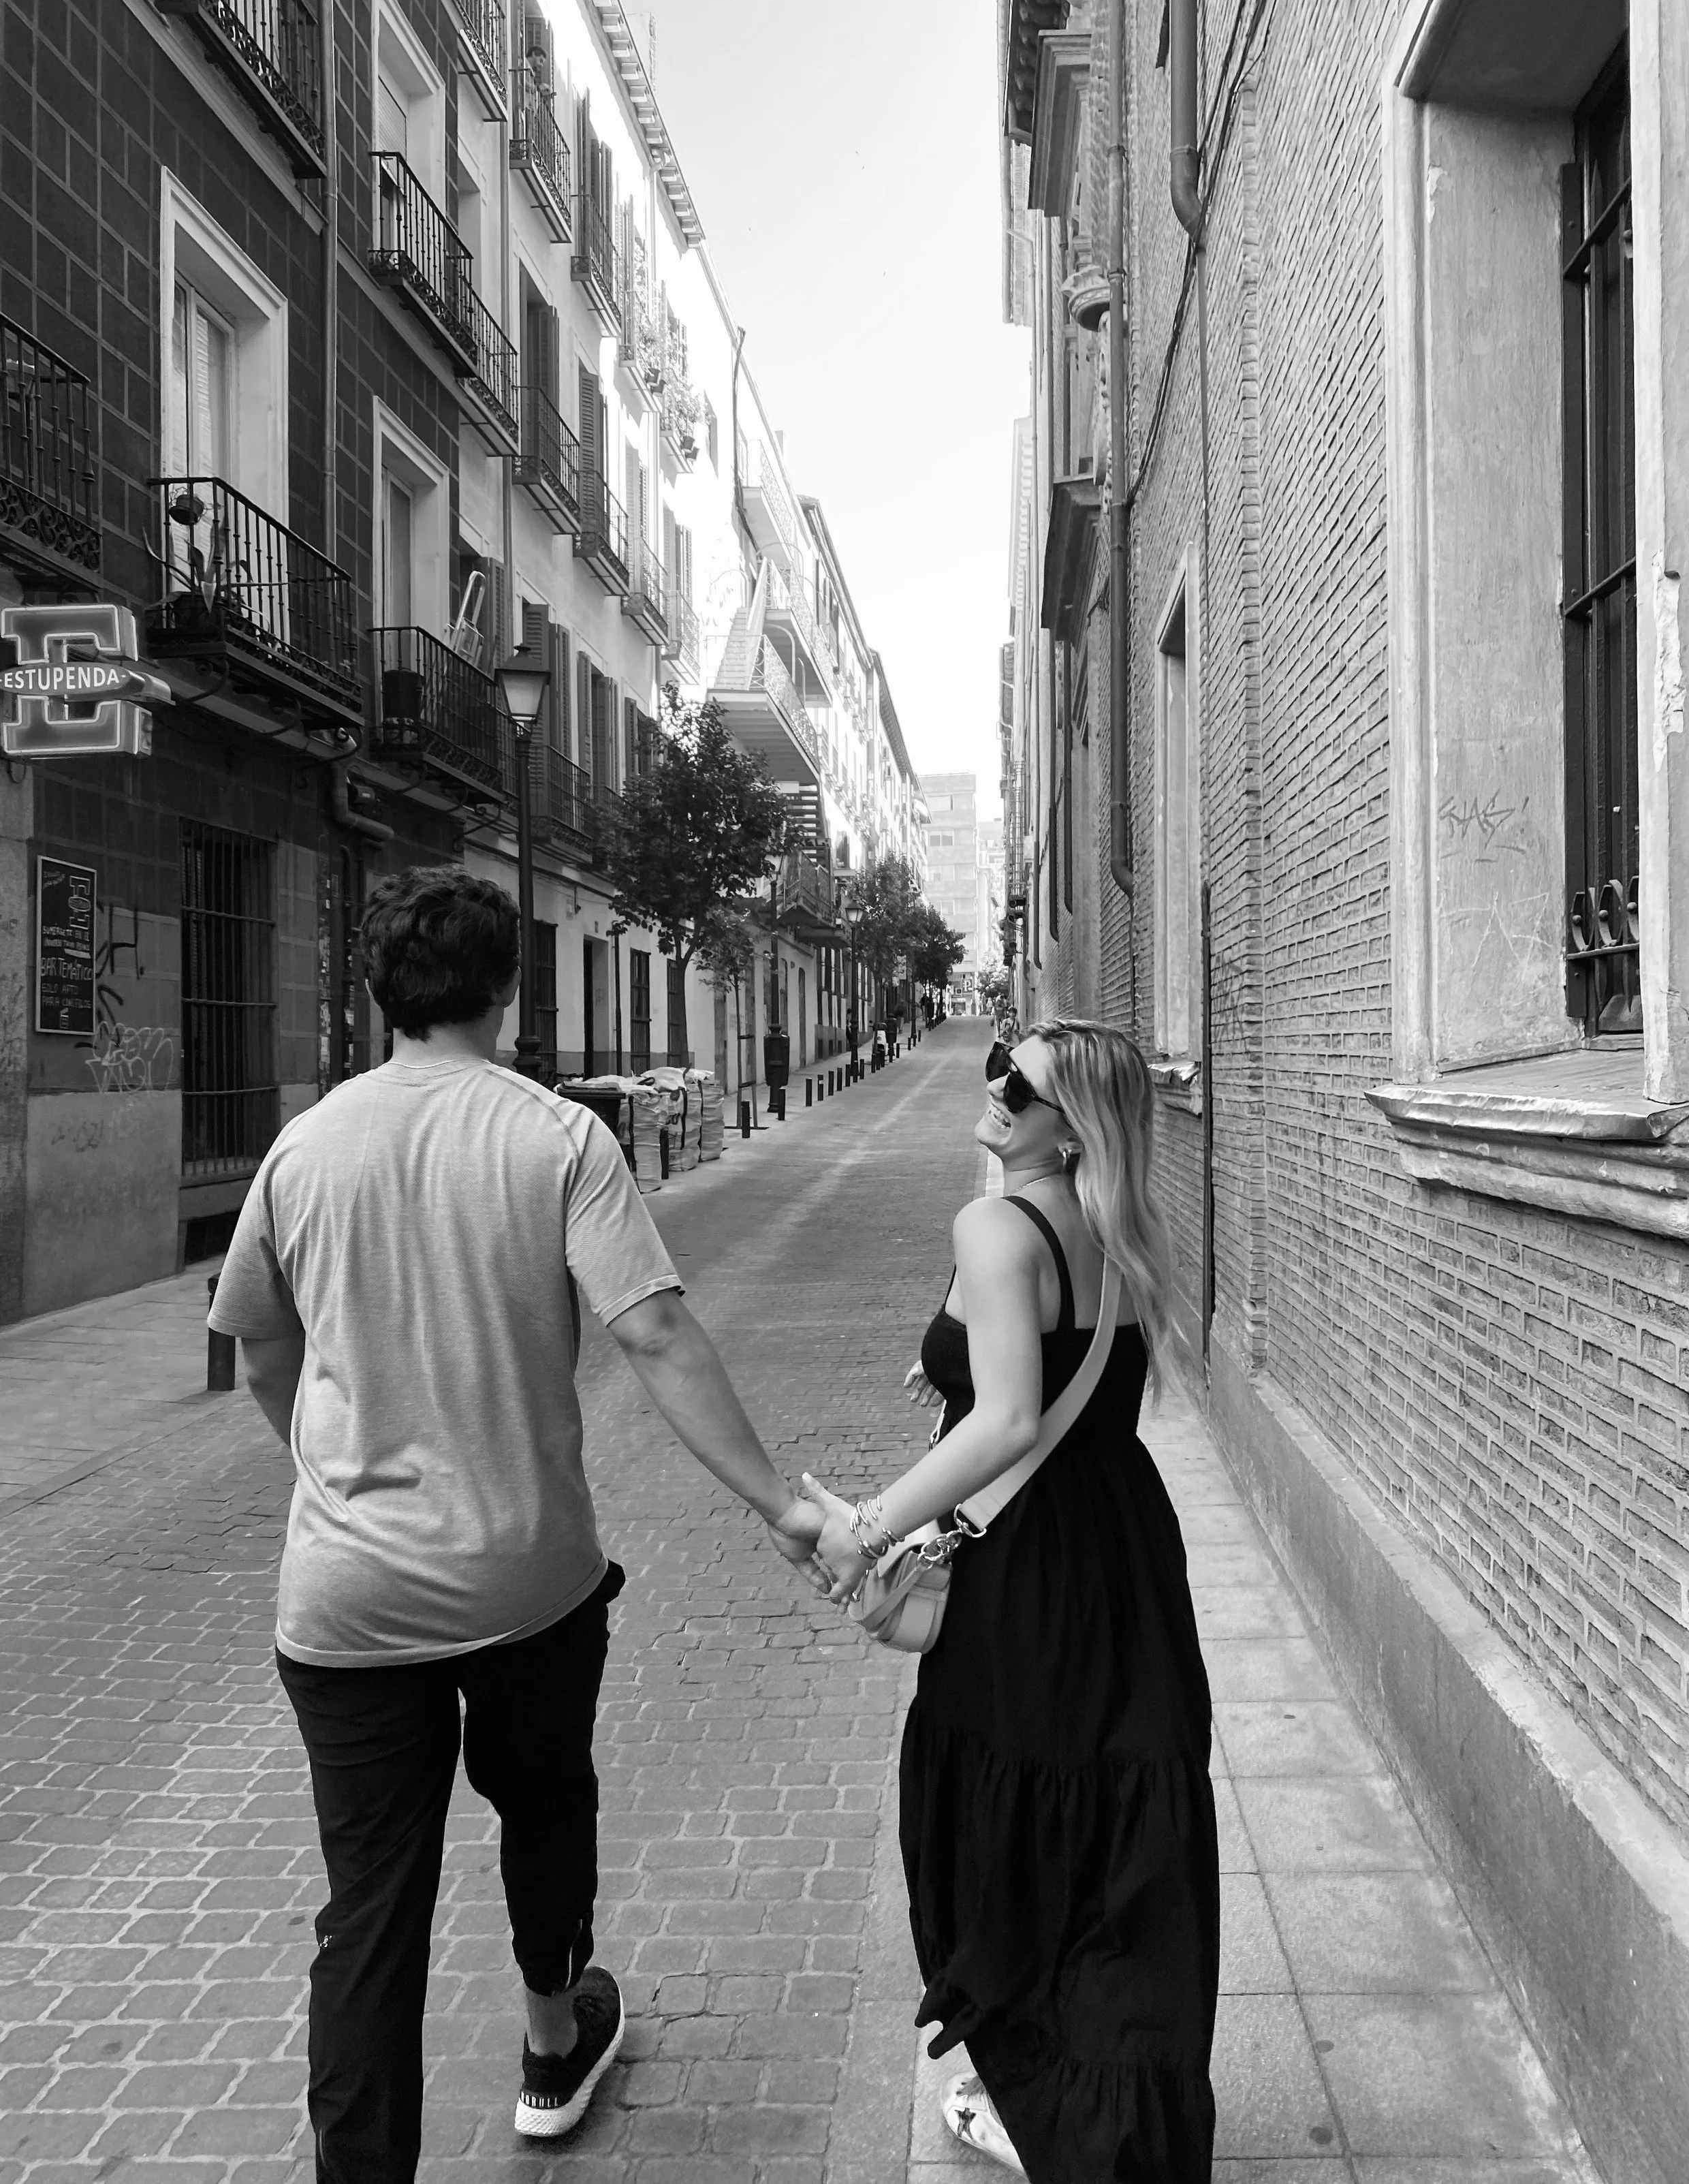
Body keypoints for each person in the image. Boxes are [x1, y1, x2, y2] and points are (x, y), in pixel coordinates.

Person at [209, 868, 824, 2183]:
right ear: (507, 989)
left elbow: (261, 1350)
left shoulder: (303, 1149)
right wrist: (781, 1503)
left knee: (368, 1911)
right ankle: (554, 2043)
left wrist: (330, 1472)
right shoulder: (558, 1139)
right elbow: (654, 1333)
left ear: (378, 992)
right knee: (544, 1810)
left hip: (345, 1600)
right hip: (525, 1582)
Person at [804, 1019, 1218, 2181]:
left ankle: (1040, 2095)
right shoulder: (1117, 1226)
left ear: (1069, 1126)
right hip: (1125, 1555)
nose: (993, 1087)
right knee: (1113, 1824)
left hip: (1031, 1574)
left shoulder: (993, 1226)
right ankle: (1116, 2113)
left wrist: (867, 1531)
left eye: (1018, 1085)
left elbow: (1009, 1421)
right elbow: (1063, 1376)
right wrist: (950, 1358)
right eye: (998, 1062)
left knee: (1008, 1817)